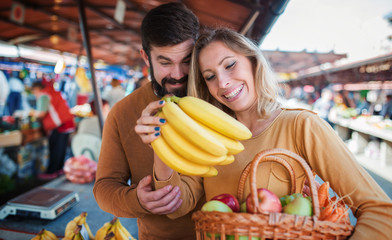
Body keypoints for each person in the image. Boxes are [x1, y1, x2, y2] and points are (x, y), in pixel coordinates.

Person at [139, 28, 392, 239]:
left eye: (230, 65)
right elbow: (175, 208)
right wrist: (159, 143)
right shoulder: (208, 138)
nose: (223, 82)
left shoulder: (302, 126)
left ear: (253, 62)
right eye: (210, 76)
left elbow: (380, 210)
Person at [93, 3, 202, 240]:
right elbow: (104, 188)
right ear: (146, 57)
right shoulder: (123, 112)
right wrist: (137, 200)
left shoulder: (216, 100)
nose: (178, 74)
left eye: (187, 60)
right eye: (165, 63)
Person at [31, 81, 76, 179]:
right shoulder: (52, 92)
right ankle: (58, 170)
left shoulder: (44, 95)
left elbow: (41, 113)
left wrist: (32, 114)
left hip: (59, 125)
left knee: (56, 149)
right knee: (61, 149)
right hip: (66, 122)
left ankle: (52, 172)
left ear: (36, 89)